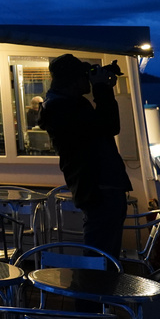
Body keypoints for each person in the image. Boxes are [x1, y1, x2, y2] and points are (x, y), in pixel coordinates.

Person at [38, 54, 131, 257]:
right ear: (72, 81)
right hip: (99, 188)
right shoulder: (62, 109)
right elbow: (110, 125)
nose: (87, 81)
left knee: (102, 252)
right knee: (101, 257)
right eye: (84, 76)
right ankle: (96, 287)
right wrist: (103, 89)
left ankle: (98, 285)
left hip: (97, 187)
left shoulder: (64, 105)